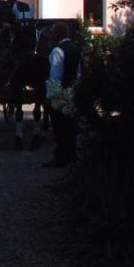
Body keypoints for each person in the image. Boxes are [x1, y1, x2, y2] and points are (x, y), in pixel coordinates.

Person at [42, 21, 81, 168]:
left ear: (57, 34)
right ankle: (72, 154)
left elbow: (55, 76)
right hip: (72, 91)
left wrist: (49, 96)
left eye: (52, 33)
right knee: (71, 125)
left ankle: (61, 156)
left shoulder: (57, 51)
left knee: (58, 126)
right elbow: (79, 72)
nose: (51, 35)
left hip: (60, 94)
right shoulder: (75, 49)